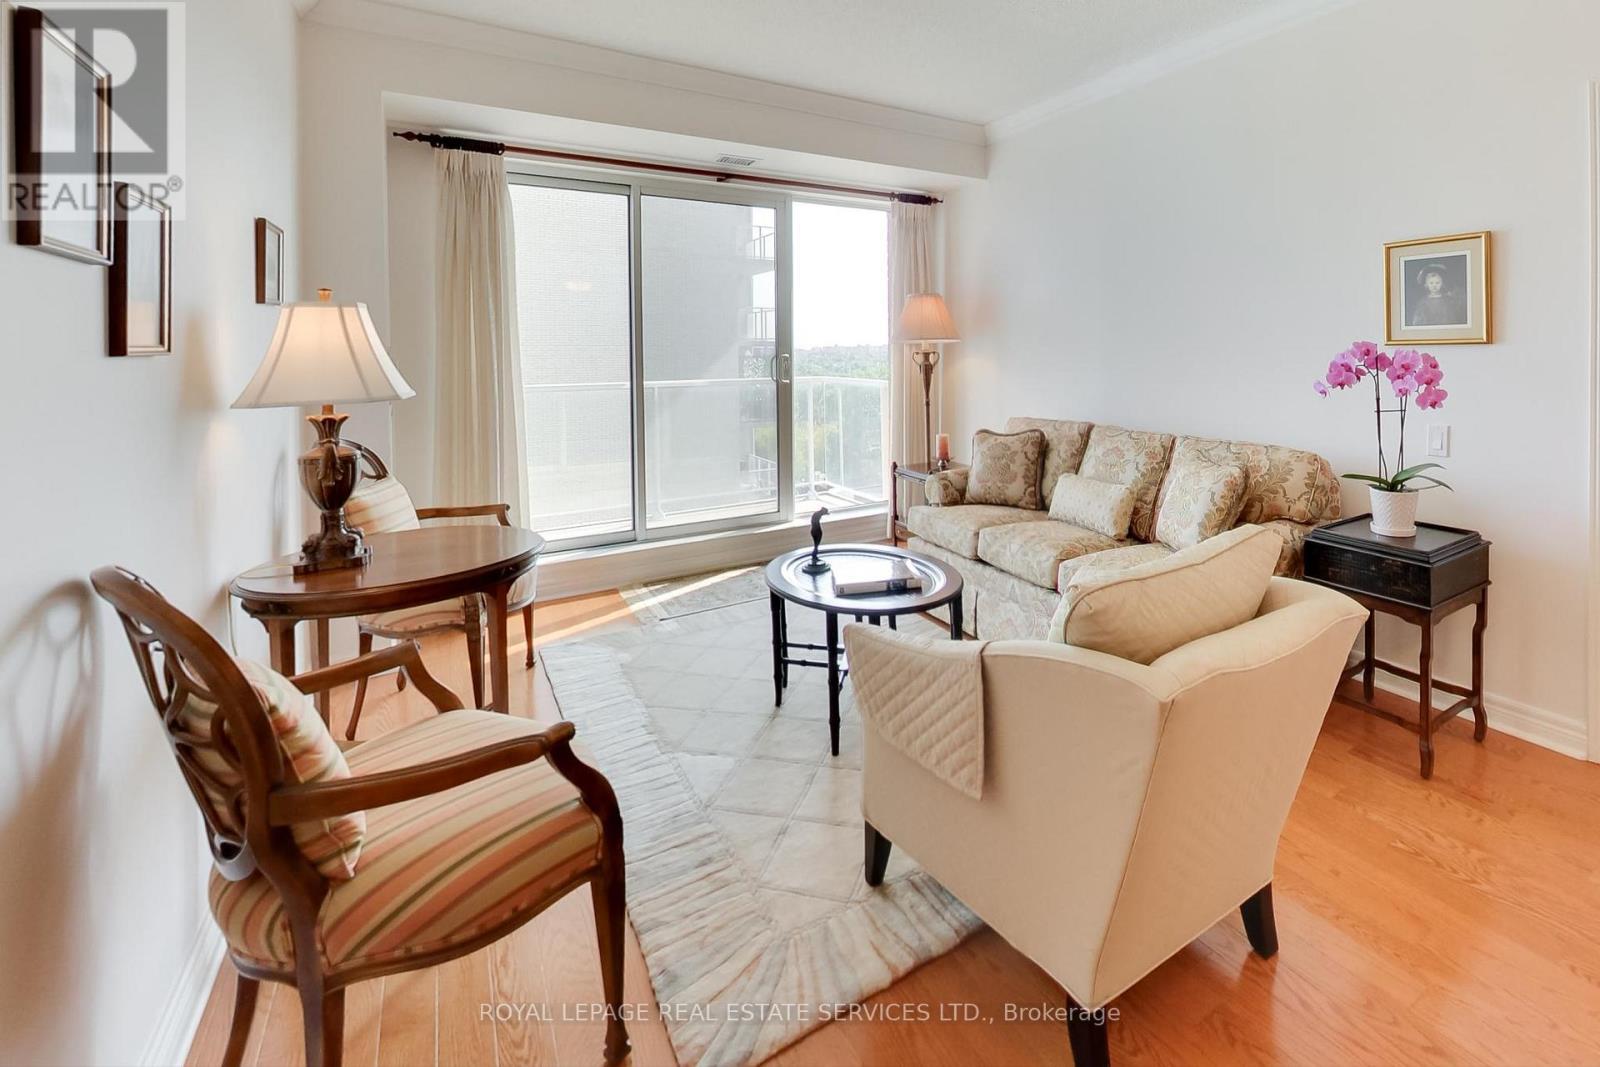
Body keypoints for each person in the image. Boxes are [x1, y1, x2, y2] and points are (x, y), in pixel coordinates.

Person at [1409, 262, 1468, 326]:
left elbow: (1452, 318)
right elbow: (1419, 320)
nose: (1434, 286)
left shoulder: (1447, 300)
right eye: (1431, 283)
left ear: (1442, 284)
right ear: (1426, 285)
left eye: (1437, 283)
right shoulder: (1423, 302)